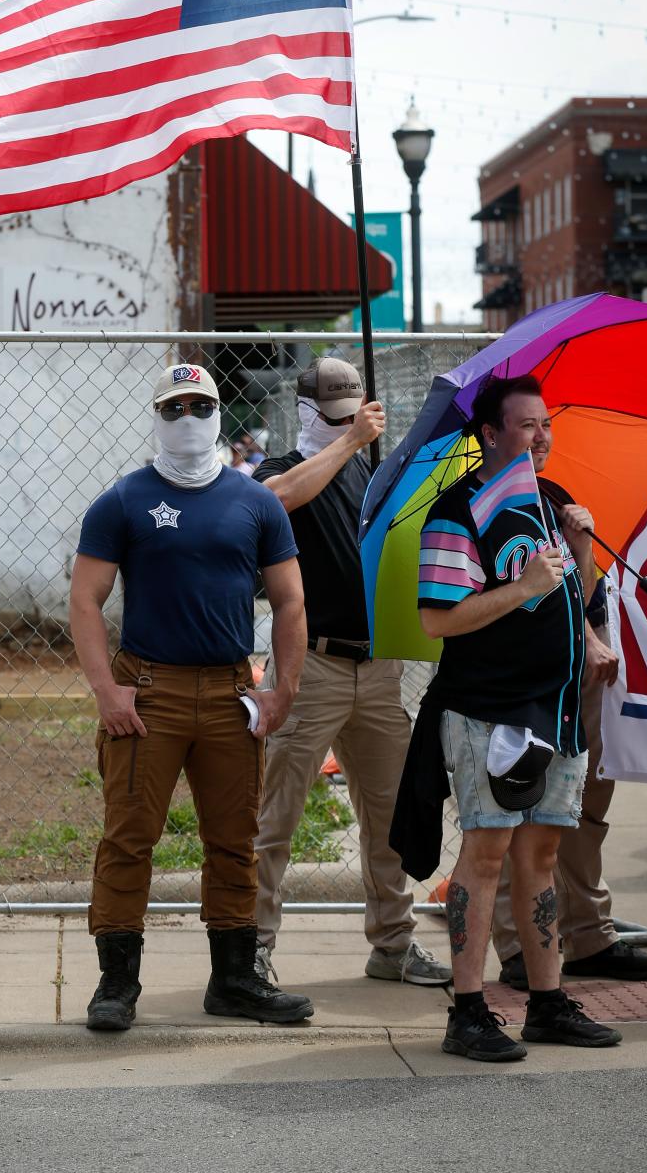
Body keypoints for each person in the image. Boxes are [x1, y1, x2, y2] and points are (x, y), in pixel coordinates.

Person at [70, 362, 314, 1032]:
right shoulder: (122, 500)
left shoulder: (254, 500)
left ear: (218, 415)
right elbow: (85, 601)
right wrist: (105, 691)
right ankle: (116, 983)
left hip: (233, 690)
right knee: (129, 838)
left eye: (199, 407)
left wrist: (281, 688)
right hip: (148, 694)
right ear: (157, 416)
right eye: (173, 408)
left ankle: (234, 978)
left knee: (235, 841)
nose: (187, 421)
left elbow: (291, 602)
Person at [413, 373, 621, 1061]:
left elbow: (574, 601)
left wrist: (582, 554)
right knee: (488, 852)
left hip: (556, 711)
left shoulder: (549, 504)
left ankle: (546, 1001)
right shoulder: (459, 510)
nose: (541, 438)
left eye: (546, 425)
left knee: (543, 853)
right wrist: (524, 586)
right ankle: (468, 1012)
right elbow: (438, 619)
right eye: (527, 425)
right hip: (488, 712)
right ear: (490, 433)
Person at [251, 356, 451, 987]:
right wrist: (348, 440)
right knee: (275, 816)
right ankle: (251, 947)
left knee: (389, 817)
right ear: (309, 411)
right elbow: (274, 503)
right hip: (312, 665)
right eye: (332, 416)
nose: (343, 425)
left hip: (378, 665)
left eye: (351, 414)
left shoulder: (370, 471)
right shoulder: (283, 468)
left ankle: (393, 943)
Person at [493, 576, 647, 986]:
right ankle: (519, 946)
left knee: (586, 796)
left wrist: (595, 630)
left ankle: (589, 937)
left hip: (597, 631)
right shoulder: (507, 509)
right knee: (517, 799)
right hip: (526, 637)